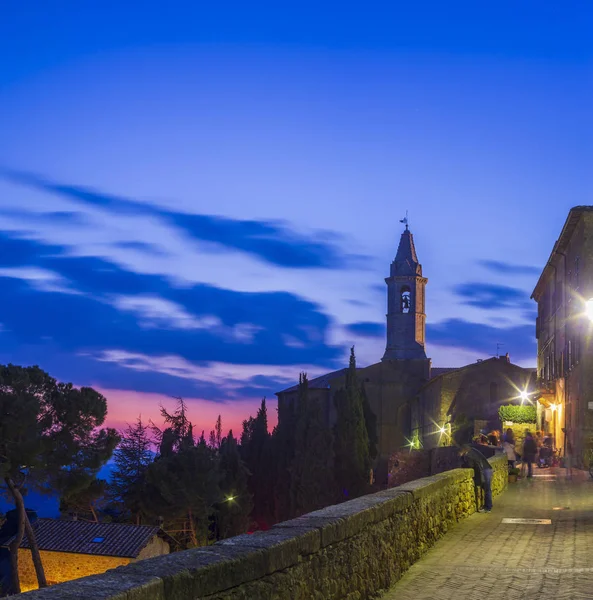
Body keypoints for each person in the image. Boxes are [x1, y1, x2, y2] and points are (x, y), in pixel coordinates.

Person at [459, 445, 493, 512]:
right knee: (487, 489)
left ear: (463, 450)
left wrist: (462, 461)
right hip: (488, 468)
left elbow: (470, 465)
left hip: (484, 471)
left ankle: (487, 508)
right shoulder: (474, 450)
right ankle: (488, 505)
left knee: (487, 489)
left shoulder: (468, 455)